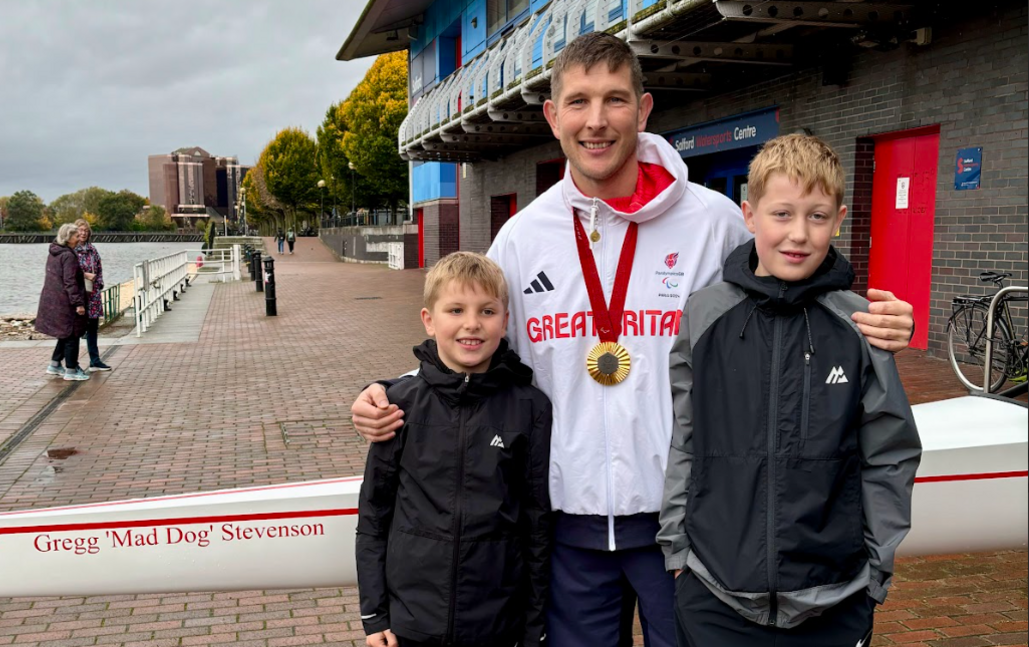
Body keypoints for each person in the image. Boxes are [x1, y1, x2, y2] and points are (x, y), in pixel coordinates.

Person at [351, 33, 916, 647]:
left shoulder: (714, 223)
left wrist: (872, 320)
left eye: (615, 100)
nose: (596, 121)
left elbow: (795, 289)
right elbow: (475, 345)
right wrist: (391, 391)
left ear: (644, 110)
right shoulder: (521, 238)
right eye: (579, 102)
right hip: (566, 530)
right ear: (552, 115)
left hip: (690, 533)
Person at [658, 134, 922, 646]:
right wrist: (678, 553)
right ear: (750, 215)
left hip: (835, 596)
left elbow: (890, 453)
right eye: (781, 214)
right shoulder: (705, 316)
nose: (798, 234)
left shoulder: (860, 325)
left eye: (817, 216)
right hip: (715, 589)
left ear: (839, 219)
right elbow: (684, 437)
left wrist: (874, 571)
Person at [357, 252, 553, 647]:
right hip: (411, 621)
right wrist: (374, 613)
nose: (471, 324)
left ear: (505, 321)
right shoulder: (398, 404)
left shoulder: (529, 406)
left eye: (487, 311)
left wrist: (534, 627)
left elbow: (536, 521)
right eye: (456, 309)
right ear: (429, 320)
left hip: (497, 622)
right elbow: (375, 513)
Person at [36, 223, 89, 381]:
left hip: (53, 299)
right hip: (65, 302)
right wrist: (78, 303)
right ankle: (71, 370)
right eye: (75, 235)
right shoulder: (68, 256)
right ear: (68, 238)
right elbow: (70, 281)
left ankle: (54, 364)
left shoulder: (54, 252)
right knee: (72, 334)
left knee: (64, 333)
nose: (79, 237)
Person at [73, 219, 111, 372]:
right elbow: (70, 272)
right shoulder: (72, 250)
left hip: (93, 294)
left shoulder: (92, 250)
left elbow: (99, 268)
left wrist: (99, 283)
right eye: (80, 230)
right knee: (76, 329)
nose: (83, 233)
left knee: (93, 328)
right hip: (78, 295)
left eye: (85, 231)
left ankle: (95, 360)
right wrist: (85, 275)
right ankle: (72, 363)